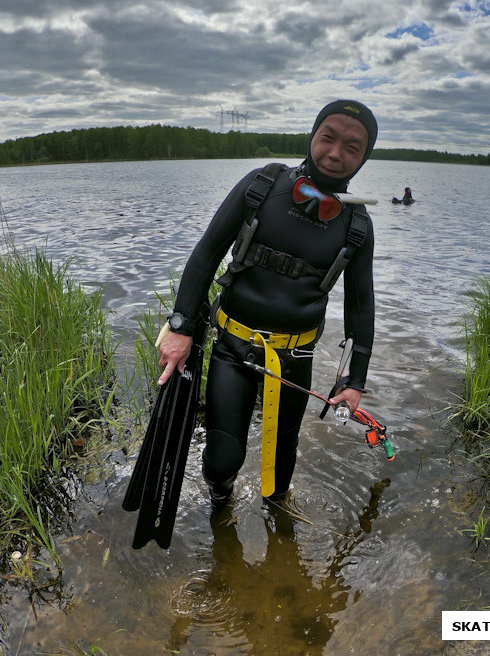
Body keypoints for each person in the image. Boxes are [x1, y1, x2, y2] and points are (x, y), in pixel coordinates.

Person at [157, 100, 377, 507]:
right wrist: (180, 326)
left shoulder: (357, 224)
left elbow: (361, 307)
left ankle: (278, 529)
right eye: (327, 137)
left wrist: (354, 381)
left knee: (279, 477)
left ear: (364, 157)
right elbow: (206, 253)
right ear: (312, 136)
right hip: (233, 347)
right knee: (223, 462)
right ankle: (221, 507)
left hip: (296, 356)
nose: (334, 153)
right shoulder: (263, 185)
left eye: (352, 146)